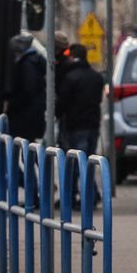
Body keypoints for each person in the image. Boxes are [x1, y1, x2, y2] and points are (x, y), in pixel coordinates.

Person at [56, 44, 104, 203]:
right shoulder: (96, 77)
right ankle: (91, 195)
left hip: (76, 125)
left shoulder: (71, 78)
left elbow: (62, 103)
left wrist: (58, 114)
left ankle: (83, 198)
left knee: (78, 163)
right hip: (93, 124)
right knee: (88, 161)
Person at [4, 33, 47, 141]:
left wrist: (14, 103)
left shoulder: (28, 64)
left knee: (24, 145)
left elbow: (28, 89)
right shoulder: (33, 61)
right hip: (32, 113)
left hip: (25, 115)